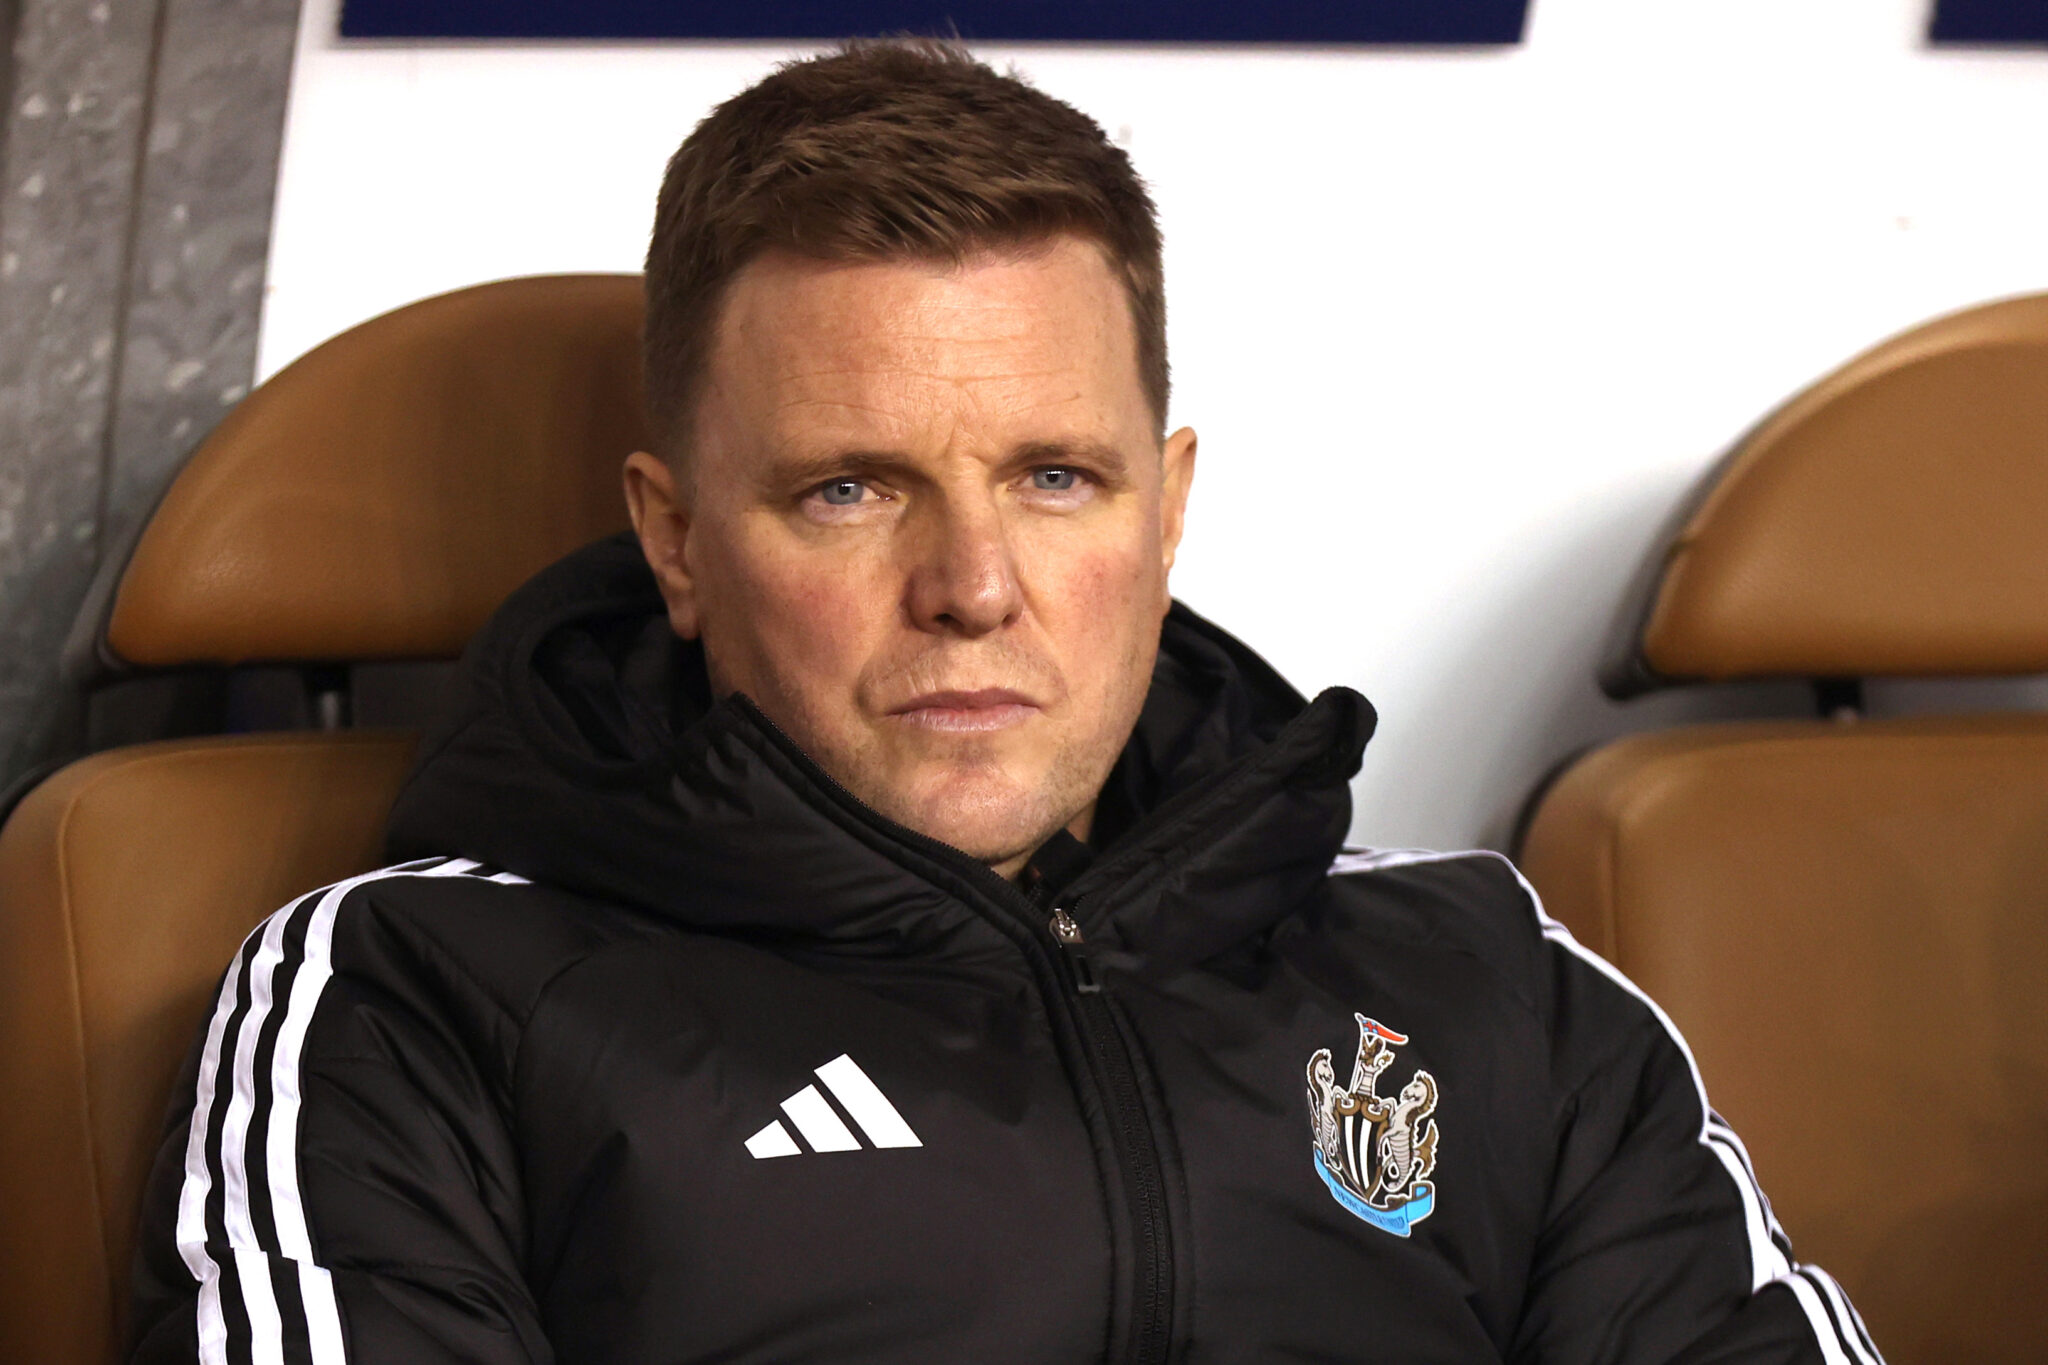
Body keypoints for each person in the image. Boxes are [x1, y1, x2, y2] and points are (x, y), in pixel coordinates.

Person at [129, 40, 1884, 1365]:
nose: (973, 583)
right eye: (850, 489)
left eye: (1056, 478)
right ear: (676, 542)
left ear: (1166, 510)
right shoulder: (418, 998)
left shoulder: (1485, 977)